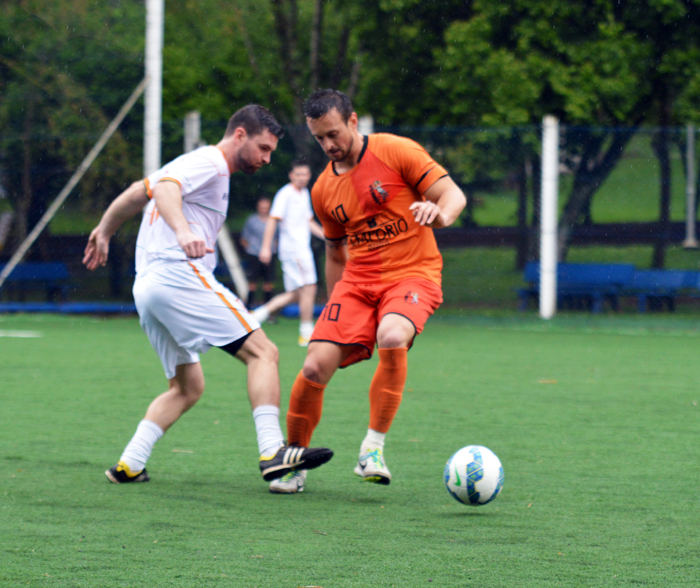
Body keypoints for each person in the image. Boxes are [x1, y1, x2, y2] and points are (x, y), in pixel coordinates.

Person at [82, 104, 333, 485]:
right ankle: (272, 451)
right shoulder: (212, 162)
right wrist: (183, 232)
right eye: (263, 148)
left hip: (147, 287)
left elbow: (139, 191)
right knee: (264, 352)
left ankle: (129, 464)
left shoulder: (196, 163)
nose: (266, 159)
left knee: (187, 387)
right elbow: (166, 189)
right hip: (177, 276)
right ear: (239, 136)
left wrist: (104, 228)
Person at [269, 90, 466, 494]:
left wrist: (440, 213)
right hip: (357, 282)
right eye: (320, 138)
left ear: (354, 121)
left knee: (392, 336)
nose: (329, 145)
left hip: (413, 273)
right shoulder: (322, 190)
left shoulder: (396, 151)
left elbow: (453, 194)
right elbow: (335, 252)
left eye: (334, 134)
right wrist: (332, 308)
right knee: (313, 366)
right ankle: (294, 460)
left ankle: (371, 451)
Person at [252, 162, 325, 347]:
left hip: (303, 248)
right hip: (293, 250)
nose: (302, 177)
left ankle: (257, 315)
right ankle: (306, 333)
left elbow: (308, 222)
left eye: (305, 174)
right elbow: (272, 220)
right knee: (309, 288)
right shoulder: (285, 194)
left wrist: (328, 235)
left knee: (296, 294)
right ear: (291, 175)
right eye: (299, 174)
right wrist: (266, 247)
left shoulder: (305, 193)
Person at [240, 197, 277, 312]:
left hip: (271, 255)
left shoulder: (275, 221)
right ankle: (248, 310)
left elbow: (278, 239)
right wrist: (252, 250)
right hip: (254, 255)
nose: (264, 210)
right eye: (262, 207)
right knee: (252, 283)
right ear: (258, 208)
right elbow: (244, 239)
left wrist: (271, 250)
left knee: (268, 284)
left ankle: (269, 312)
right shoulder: (251, 220)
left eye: (266, 208)